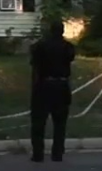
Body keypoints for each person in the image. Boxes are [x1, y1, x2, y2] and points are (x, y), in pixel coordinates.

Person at [29, 20, 76, 163]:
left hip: (43, 85)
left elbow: (34, 65)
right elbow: (69, 60)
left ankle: (38, 154)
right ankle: (57, 153)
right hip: (61, 86)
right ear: (62, 31)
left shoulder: (40, 46)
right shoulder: (68, 47)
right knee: (60, 123)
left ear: (50, 30)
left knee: (38, 122)